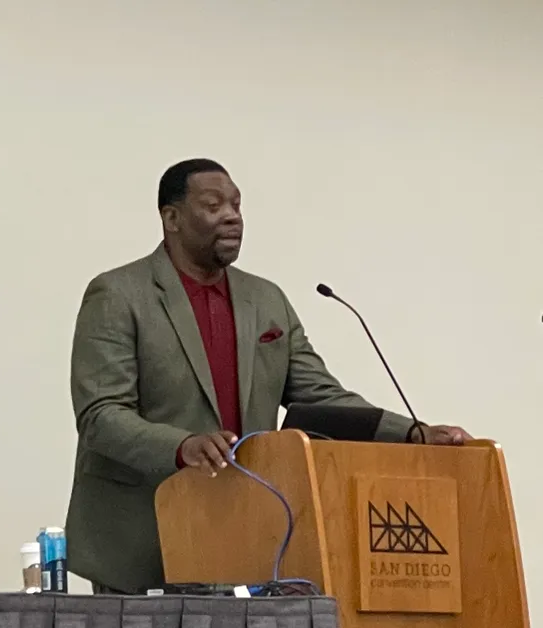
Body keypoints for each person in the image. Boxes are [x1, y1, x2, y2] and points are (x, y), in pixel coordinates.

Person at [67, 158, 471, 594]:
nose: (231, 216)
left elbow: (319, 397)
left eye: (237, 205)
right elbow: (101, 415)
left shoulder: (265, 299)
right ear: (172, 218)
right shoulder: (119, 294)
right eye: (213, 204)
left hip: (245, 532)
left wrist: (412, 433)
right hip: (144, 538)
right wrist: (182, 446)